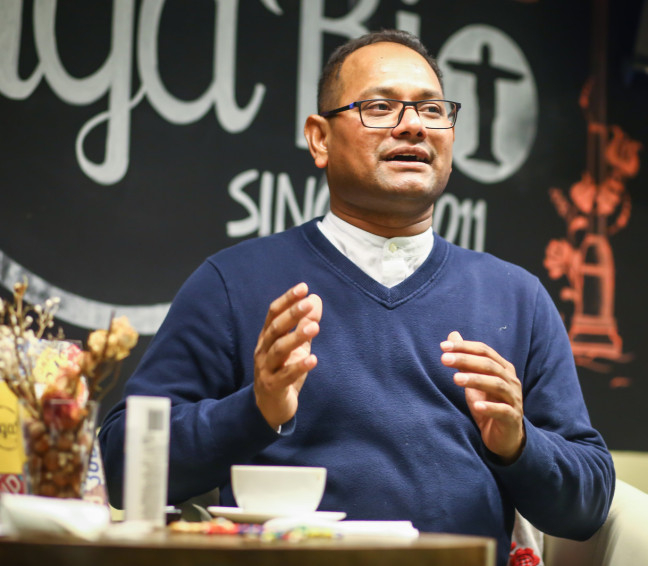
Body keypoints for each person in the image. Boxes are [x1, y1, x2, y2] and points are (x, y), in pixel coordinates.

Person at [98, 29, 615, 565]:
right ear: (319, 139)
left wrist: (518, 443)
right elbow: (122, 464)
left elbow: (589, 505)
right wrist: (255, 410)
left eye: (432, 109)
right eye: (380, 107)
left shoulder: (517, 298)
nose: (413, 125)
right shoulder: (233, 282)